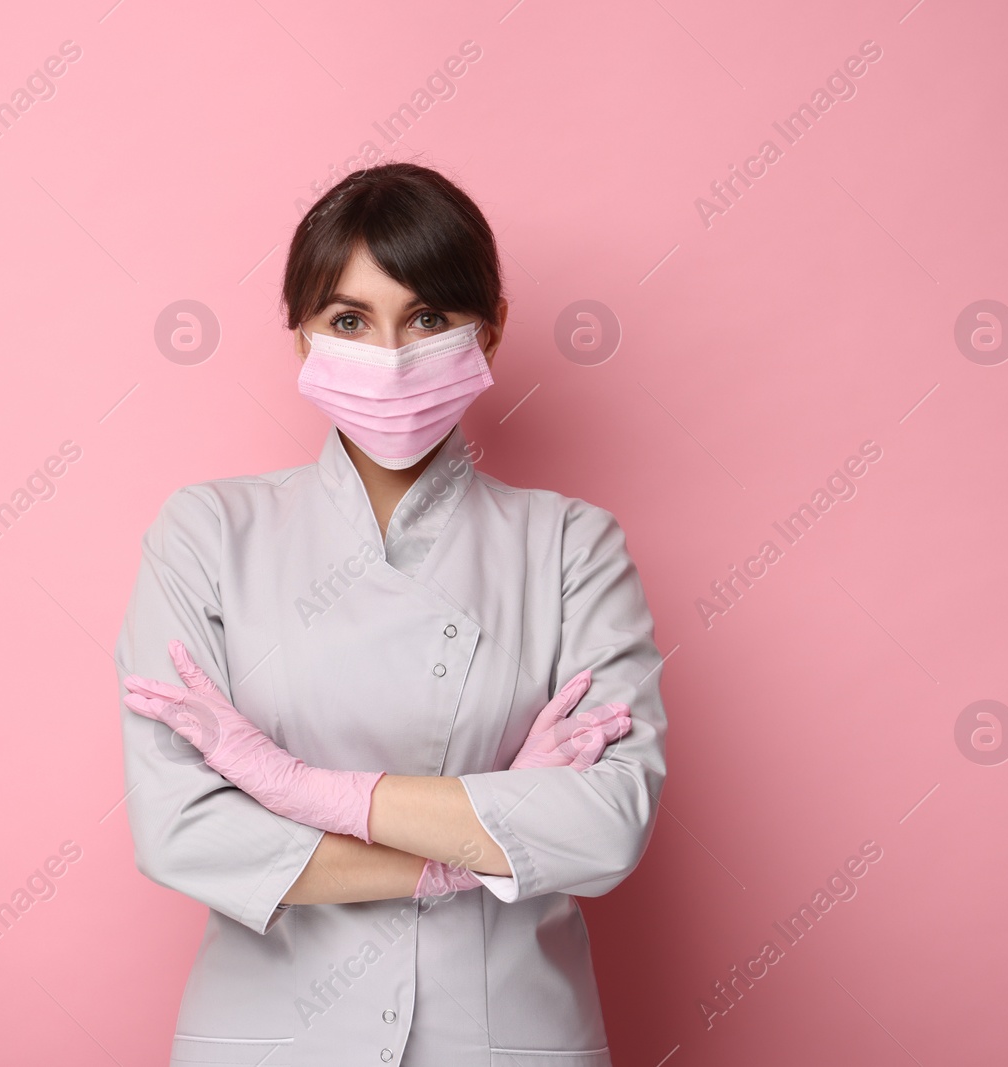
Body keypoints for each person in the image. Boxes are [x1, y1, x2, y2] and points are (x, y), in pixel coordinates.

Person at [115, 162, 668, 1066]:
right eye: (349, 320)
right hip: (268, 1040)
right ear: (300, 339)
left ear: (488, 328)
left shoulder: (573, 546)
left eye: (427, 317)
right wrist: (477, 847)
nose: (392, 353)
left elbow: (605, 827)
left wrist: (299, 790)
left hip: (507, 1039)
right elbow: (183, 830)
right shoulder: (207, 532)